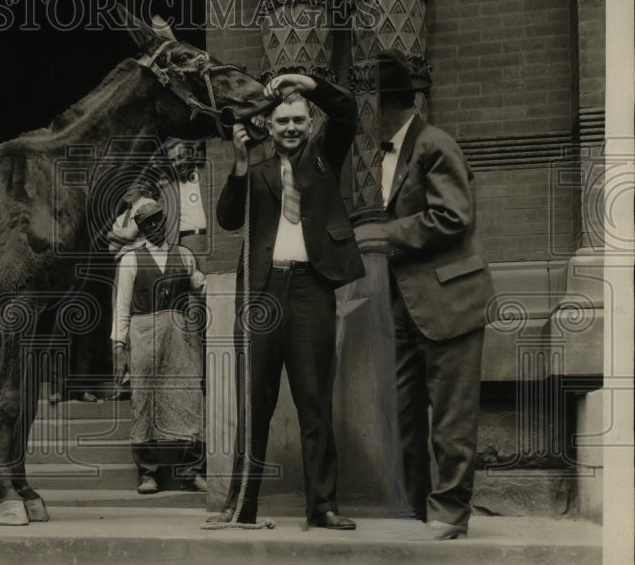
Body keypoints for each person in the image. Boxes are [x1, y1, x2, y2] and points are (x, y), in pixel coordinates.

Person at [212, 73, 365, 528]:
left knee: (314, 402)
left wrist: (310, 83)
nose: (291, 128)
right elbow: (225, 219)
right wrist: (239, 162)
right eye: (282, 122)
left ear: (310, 121)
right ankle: (242, 507)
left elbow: (346, 112)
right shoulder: (256, 170)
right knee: (253, 404)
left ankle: (322, 507)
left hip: (310, 291)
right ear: (269, 126)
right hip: (261, 295)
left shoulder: (324, 157)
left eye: (299, 120)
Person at [358, 50, 495, 540]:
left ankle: (450, 515)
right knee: (402, 416)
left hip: (452, 301)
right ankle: (412, 510)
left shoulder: (436, 144)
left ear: (381, 105)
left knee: (452, 419)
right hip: (403, 305)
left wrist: (384, 234)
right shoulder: (389, 150)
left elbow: (454, 215)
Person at [112, 199, 208, 494]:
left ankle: (191, 471)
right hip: (144, 338)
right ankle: (148, 473)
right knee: (144, 402)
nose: (154, 226)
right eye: (147, 223)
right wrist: (118, 347)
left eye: (157, 220)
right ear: (140, 229)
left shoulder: (184, 255)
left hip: (180, 340)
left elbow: (203, 287)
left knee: (188, 399)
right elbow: (122, 307)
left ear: (165, 220)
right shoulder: (130, 259)